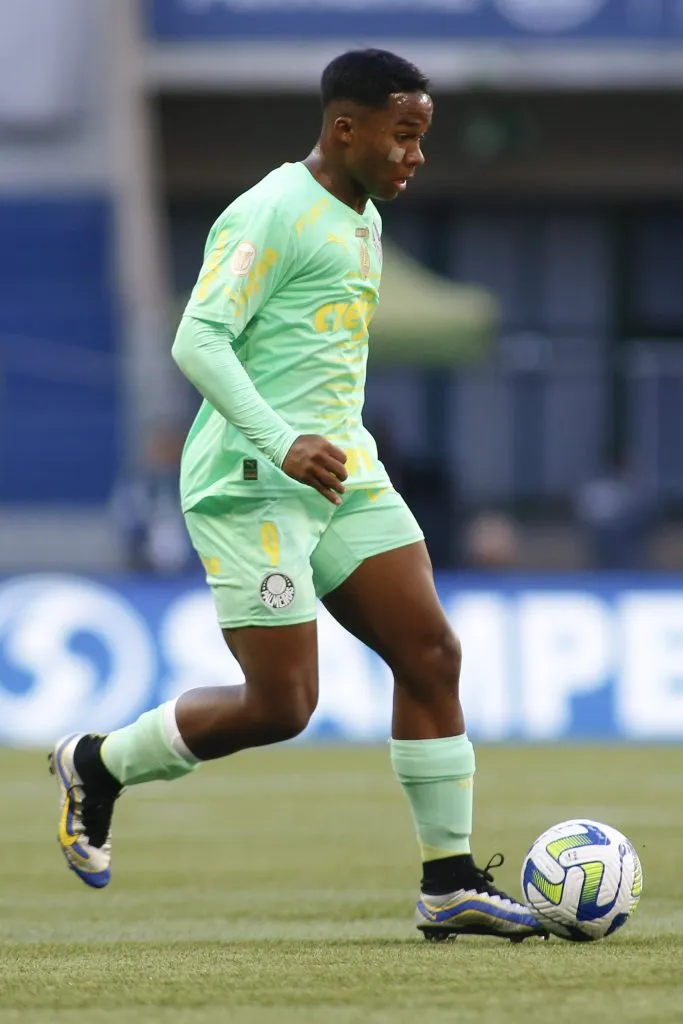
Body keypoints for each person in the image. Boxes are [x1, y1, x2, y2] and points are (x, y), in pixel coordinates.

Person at [49, 49, 544, 943]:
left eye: (421, 138)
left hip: (342, 474)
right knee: (281, 706)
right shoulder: (274, 209)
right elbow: (197, 339)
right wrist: (280, 442)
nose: (415, 157)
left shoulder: (363, 218)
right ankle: (100, 763)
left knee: (430, 653)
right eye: (403, 136)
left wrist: (320, 442)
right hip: (251, 483)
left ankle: (450, 882)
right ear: (344, 129)